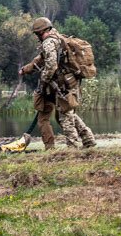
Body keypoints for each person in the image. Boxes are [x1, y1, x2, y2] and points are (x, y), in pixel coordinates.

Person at [20, 17, 97, 151]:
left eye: (38, 34)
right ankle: (88, 139)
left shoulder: (49, 42)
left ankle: (72, 147)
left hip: (63, 83)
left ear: (41, 31)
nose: (38, 37)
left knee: (64, 115)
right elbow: (41, 59)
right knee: (68, 112)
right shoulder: (58, 37)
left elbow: (50, 65)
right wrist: (27, 68)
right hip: (69, 80)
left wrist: (44, 80)